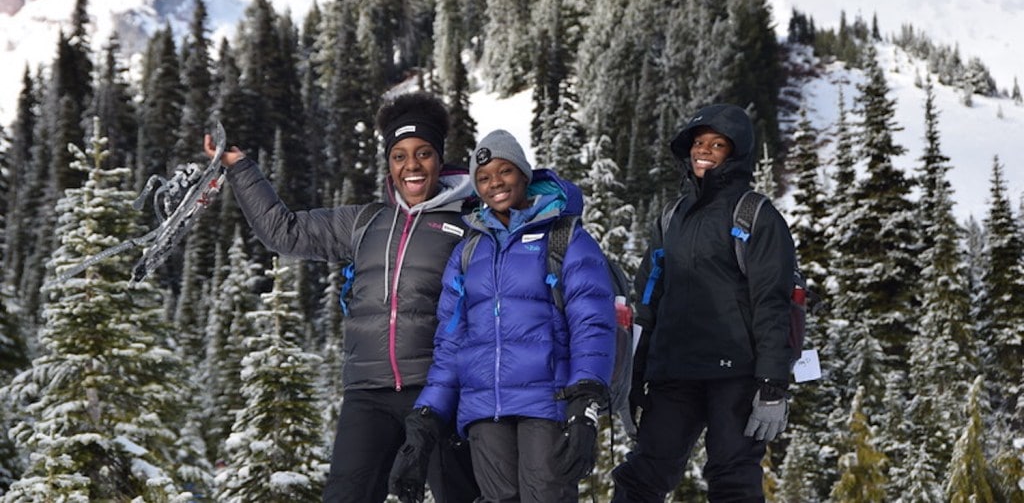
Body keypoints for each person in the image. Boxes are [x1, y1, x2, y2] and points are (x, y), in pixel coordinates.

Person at [204, 91, 479, 503]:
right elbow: (285, 232)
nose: (412, 166)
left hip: (440, 391)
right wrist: (240, 169)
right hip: (368, 394)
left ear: (439, 160)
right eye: (399, 155)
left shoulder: (468, 223)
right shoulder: (364, 222)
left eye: (423, 153)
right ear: (388, 163)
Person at [388, 129, 617, 503]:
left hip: (547, 403)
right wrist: (425, 419)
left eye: (505, 171)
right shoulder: (467, 252)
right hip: (484, 412)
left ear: (524, 173)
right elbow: (450, 346)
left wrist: (585, 396)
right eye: (483, 177)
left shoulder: (565, 238)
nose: (495, 183)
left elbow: (592, 323)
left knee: (547, 496)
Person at [611, 103, 796, 503]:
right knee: (642, 473)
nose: (704, 150)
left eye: (717, 144)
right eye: (698, 142)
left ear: (736, 153)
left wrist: (773, 385)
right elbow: (647, 302)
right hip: (673, 373)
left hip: (737, 375)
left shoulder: (755, 215)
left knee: (733, 479)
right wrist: (630, 377)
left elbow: (772, 303)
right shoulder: (671, 218)